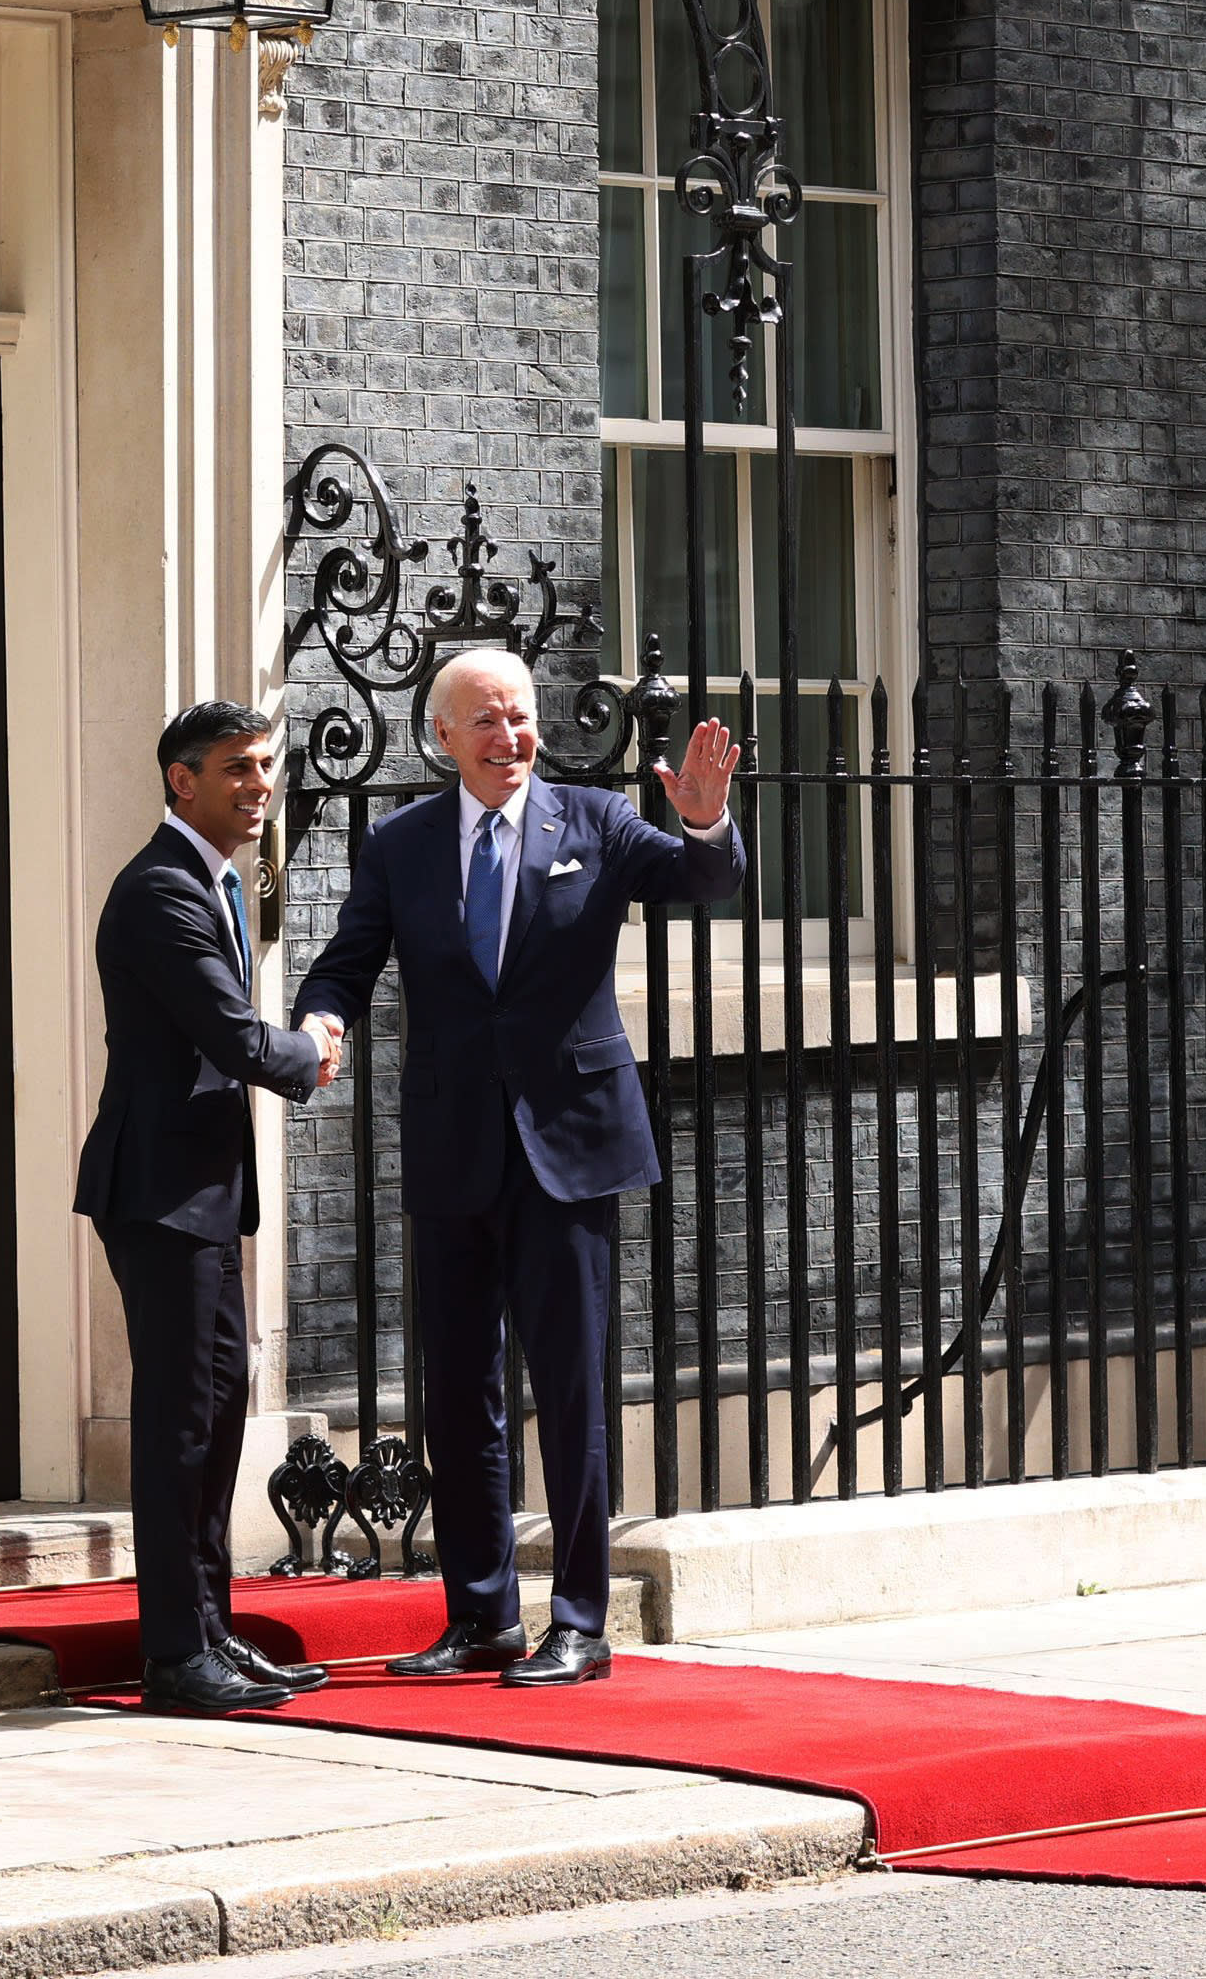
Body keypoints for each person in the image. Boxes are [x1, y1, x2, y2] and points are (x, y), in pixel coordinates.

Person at [293, 647, 743, 1686]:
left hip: (569, 1148)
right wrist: (321, 1021)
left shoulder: (592, 821)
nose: (510, 737)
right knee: (455, 1393)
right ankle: (481, 1614)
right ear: (442, 735)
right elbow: (349, 956)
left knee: (570, 1385)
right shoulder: (401, 844)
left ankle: (579, 1622)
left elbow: (696, 880)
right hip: (454, 1146)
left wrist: (707, 821)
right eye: (487, 721)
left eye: (522, 717)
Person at [75, 700, 349, 1714]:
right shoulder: (159, 890)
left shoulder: (216, 880)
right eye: (237, 767)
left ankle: (213, 1634)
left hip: (200, 1193)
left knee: (218, 1413)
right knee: (178, 1425)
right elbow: (234, 1039)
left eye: (266, 765)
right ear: (180, 779)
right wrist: (310, 1052)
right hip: (158, 1191)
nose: (260, 783)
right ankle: (173, 1656)